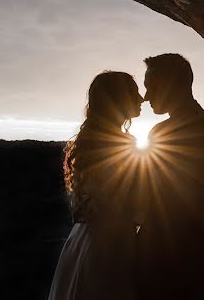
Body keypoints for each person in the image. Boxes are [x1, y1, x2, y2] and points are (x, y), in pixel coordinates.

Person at [137, 53, 204, 300]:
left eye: (151, 87)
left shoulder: (159, 134)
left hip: (164, 258)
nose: (146, 97)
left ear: (170, 86)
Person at [48, 71, 144, 300]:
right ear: (118, 99)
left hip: (85, 239)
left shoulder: (93, 140)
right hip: (108, 245)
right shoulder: (121, 145)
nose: (141, 99)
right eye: (135, 92)